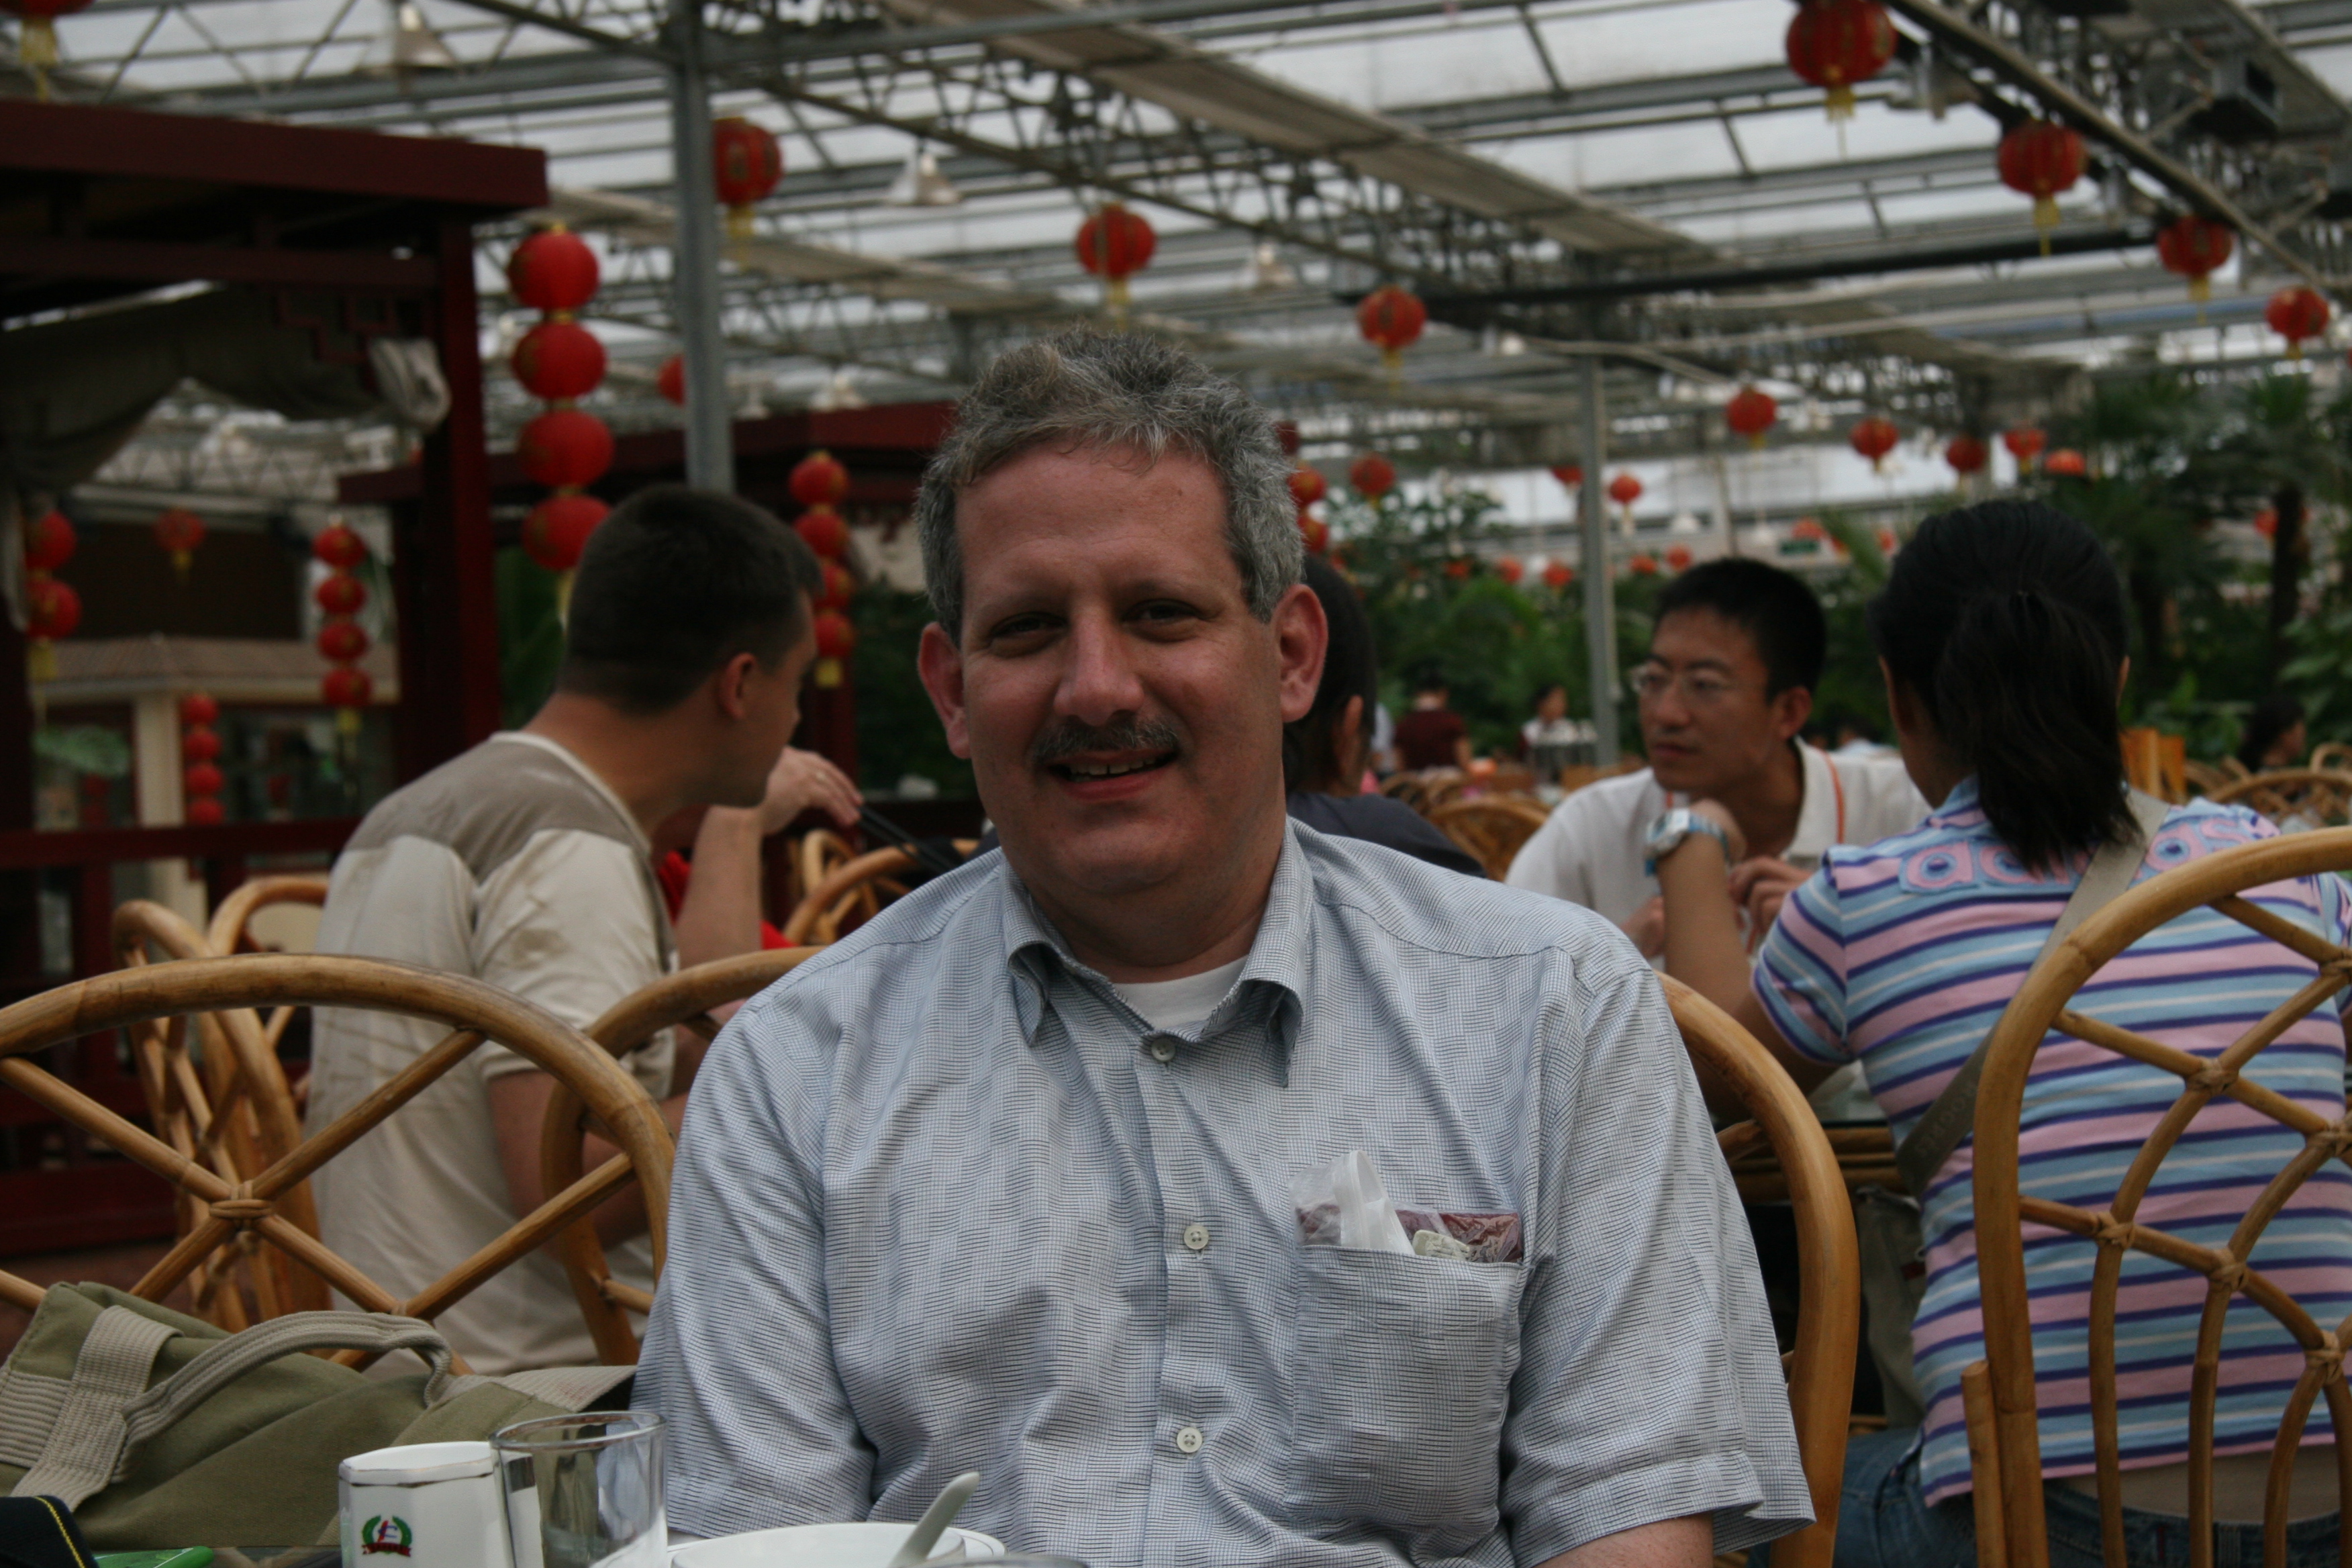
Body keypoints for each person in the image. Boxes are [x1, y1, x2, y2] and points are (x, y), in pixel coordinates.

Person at [637, 332, 1811, 1567]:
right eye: (1028, 629)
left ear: (1290, 655)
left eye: (1161, 613)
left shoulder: (1551, 1009)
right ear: (950, 690)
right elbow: (755, 1539)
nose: (1096, 687)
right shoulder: (798, 1072)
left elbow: (1625, 1525)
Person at [1657, 500, 2352, 1566]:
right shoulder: (2281, 873)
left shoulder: (1866, 902)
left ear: (1898, 694)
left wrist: (1687, 841)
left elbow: (1707, 1078)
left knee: (1716, 1506)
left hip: (2040, 1522)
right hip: (2331, 1496)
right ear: (2118, 682)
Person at [304, 485, 858, 1373]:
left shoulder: (416, 809)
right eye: (795, 686)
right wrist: (811, 1074)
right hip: (542, 1391)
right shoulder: (568, 850)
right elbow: (566, 1185)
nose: (795, 719)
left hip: (384, 1356)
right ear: (741, 685)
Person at [1506, 556, 1925, 960]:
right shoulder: (1592, 830)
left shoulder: (1901, 812)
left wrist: (1857, 928)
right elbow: (1499, 973)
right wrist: (1618, 954)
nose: (1666, 714)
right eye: (1653, 679)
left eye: (1704, 685)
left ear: (1788, 712)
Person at [1283, 556, 1483, 874]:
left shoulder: (1407, 726)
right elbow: (1465, 765)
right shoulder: (1379, 839)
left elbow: (1400, 766)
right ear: (1348, 727)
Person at [1390, 667, 1473, 771]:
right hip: (1449, 779)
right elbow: (1464, 761)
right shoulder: (1452, 722)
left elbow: (1399, 766)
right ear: (1443, 693)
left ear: (1417, 694)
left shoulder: (1403, 724)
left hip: (1414, 780)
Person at [1518, 681, 1590, 782]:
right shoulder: (1529, 731)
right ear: (1542, 703)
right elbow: (1522, 763)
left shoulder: (1572, 729)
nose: (1562, 704)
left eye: (1563, 700)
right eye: (1556, 700)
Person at [2239, 692, 2307, 772]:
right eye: (2300, 732)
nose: (2304, 736)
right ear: (2284, 735)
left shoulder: (2249, 773)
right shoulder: (2268, 777)